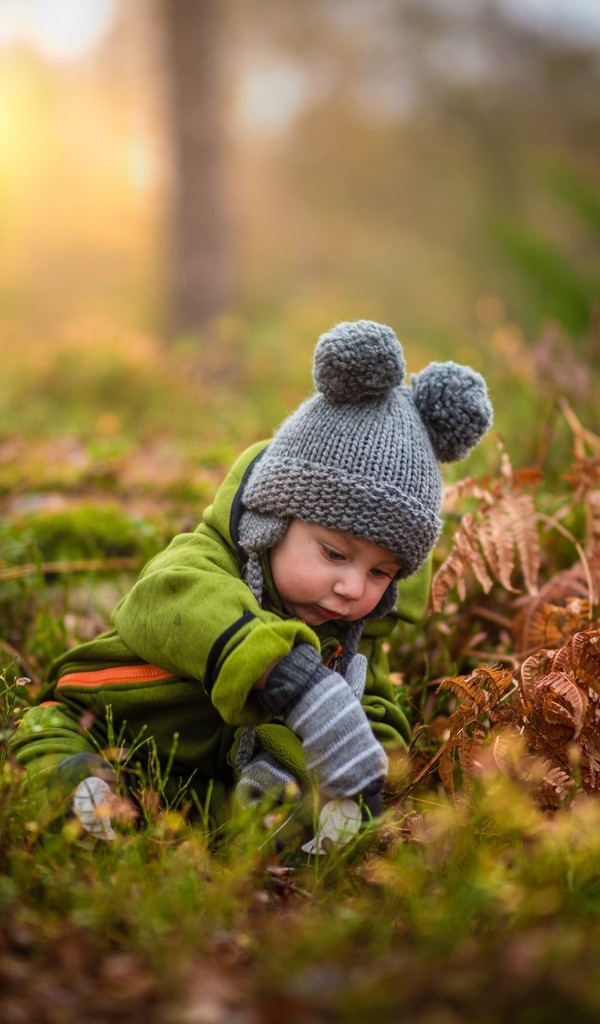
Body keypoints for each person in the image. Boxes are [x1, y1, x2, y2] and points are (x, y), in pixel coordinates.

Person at [9, 320, 492, 842]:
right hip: (104, 720)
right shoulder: (203, 562)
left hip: (205, 783)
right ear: (272, 522)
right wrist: (289, 677)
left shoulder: (353, 635)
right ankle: (80, 795)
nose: (353, 588)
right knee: (50, 741)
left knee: (290, 800)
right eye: (334, 554)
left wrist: (361, 769)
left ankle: (275, 827)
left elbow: (374, 707)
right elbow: (169, 600)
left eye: (380, 572)